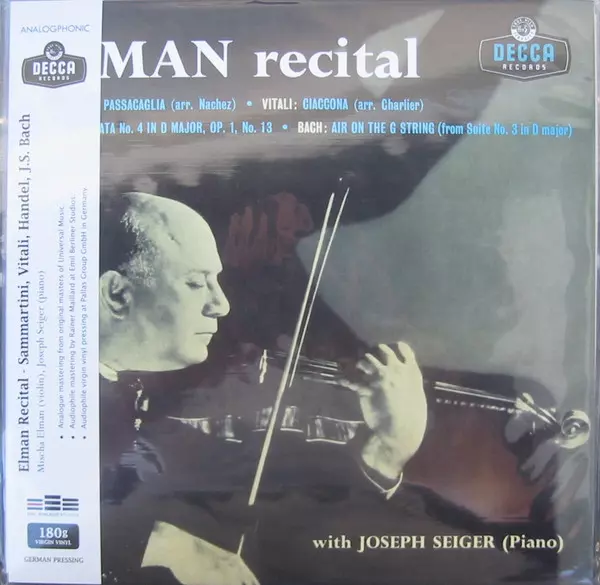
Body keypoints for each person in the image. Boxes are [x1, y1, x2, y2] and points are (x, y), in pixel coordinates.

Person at [98, 191, 564, 585]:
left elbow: (253, 516)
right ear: (117, 294)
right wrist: (167, 544)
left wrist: (380, 456)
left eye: (216, 282)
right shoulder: (84, 411)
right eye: (196, 283)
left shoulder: (127, 395)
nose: (221, 305)